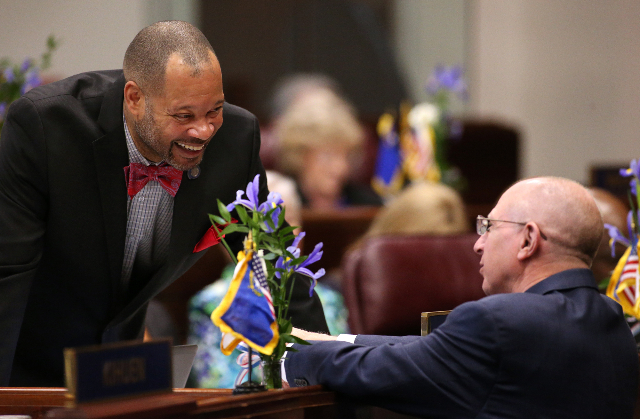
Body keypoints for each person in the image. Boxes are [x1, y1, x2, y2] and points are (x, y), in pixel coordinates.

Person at [0, 20, 328, 387]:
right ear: (134, 99)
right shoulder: (47, 126)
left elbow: (273, 263)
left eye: (214, 110)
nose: (203, 131)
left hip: (120, 366)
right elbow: (8, 270)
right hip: (26, 367)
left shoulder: (235, 139)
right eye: (184, 115)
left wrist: (324, 371)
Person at [284, 177, 639, 418]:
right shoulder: (614, 322)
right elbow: (420, 350)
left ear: (528, 240)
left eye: (489, 227)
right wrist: (330, 339)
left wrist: (288, 355)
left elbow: (378, 370)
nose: (478, 243)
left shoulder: (500, 322)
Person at [187, 171, 349, 388]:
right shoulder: (211, 304)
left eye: (285, 222)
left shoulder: (329, 299)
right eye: (258, 224)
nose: (272, 238)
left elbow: (341, 369)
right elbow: (218, 385)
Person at [274, 87, 382, 209]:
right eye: (328, 156)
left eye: (347, 157)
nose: (341, 168)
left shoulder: (369, 206)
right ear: (300, 156)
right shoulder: (280, 206)